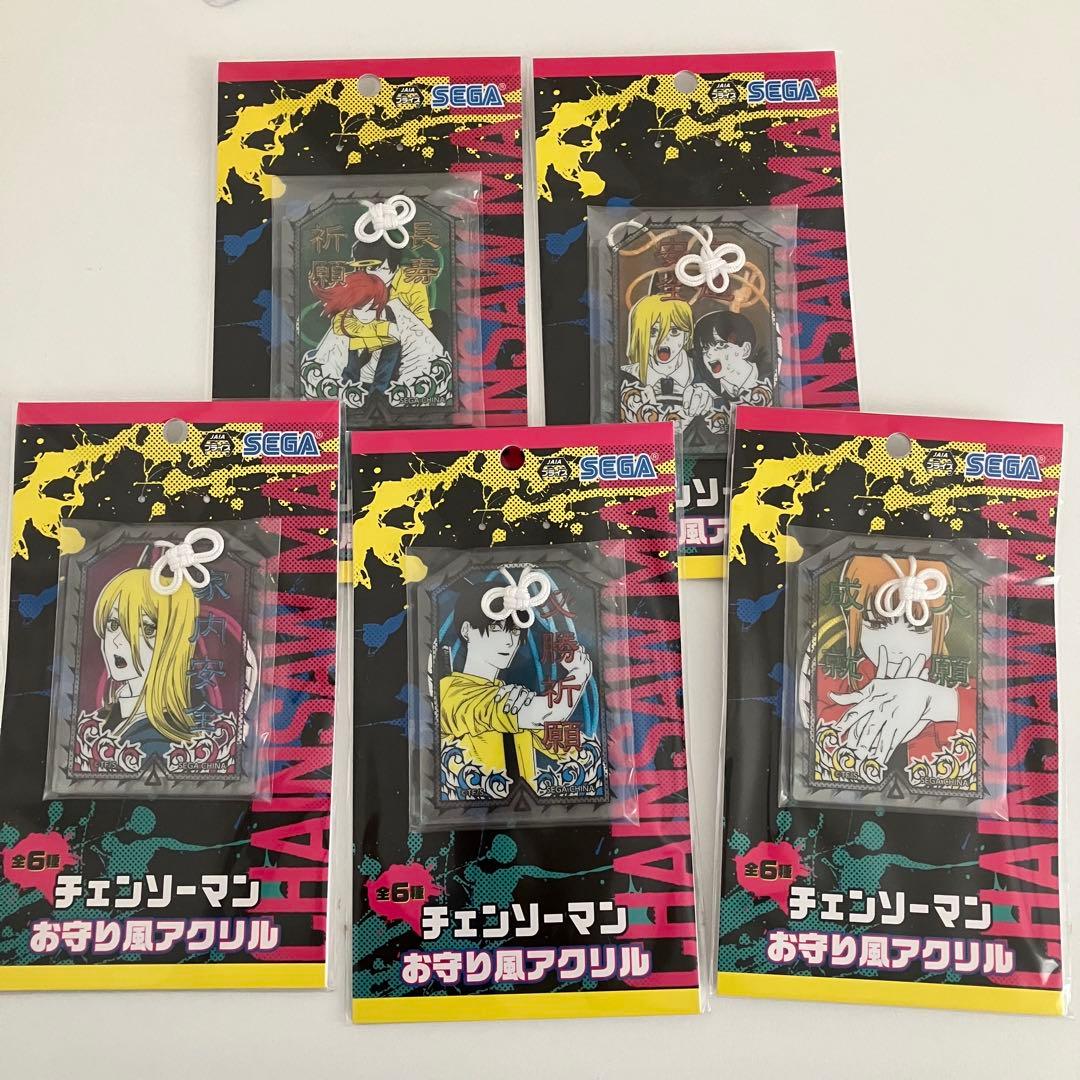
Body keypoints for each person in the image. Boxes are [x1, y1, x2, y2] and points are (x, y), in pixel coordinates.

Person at [807, 554, 970, 768]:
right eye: (876, 624)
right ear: (851, 619)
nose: (897, 646)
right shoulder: (826, 685)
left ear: (944, 626)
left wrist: (937, 701)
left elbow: (989, 726)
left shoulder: (966, 694)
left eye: (918, 627)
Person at [438, 579, 593, 798]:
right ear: (467, 630)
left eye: (513, 631)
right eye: (495, 628)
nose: (508, 642)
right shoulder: (452, 693)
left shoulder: (509, 694)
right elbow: (547, 713)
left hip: (528, 808)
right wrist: (579, 674)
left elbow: (563, 744)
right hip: (474, 809)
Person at [91, 567, 199, 755]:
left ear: (174, 639)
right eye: (113, 624)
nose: (118, 641)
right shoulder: (109, 716)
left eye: (146, 629)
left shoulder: (160, 740)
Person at [691, 309, 772, 406]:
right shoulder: (706, 390)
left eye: (721, 345)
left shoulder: (770, 377)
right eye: (705, 348)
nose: (709, 353)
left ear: (745, 350)